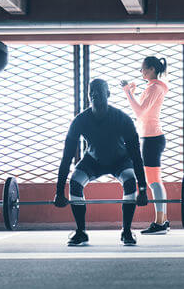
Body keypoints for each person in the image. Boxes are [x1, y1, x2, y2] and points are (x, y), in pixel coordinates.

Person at [55, 79, 149, 246]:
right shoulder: (79, 121)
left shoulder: (123, 119)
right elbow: (67, 156)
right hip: (93, 161)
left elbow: (136, 156)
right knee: (75, 183)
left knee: (129, 181)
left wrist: (142, 189)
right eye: (91, 91)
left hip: (120, 161)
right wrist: (59, 191)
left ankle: (126, 231)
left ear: (108, 94)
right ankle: (81, 232)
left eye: (99, 91)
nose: (94, 94)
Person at [121, 56, 170, 235]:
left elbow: (140, 112)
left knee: (153, 182)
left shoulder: (154, 88)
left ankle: (159, 223)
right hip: (151, 137)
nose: (141, 72)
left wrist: (128, 92)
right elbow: (141, 111)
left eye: (142, 69)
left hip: (151, 139)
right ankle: (162, 220)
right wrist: (131, 93)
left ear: (150, 70)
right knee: (155, 181)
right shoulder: (154, 87)